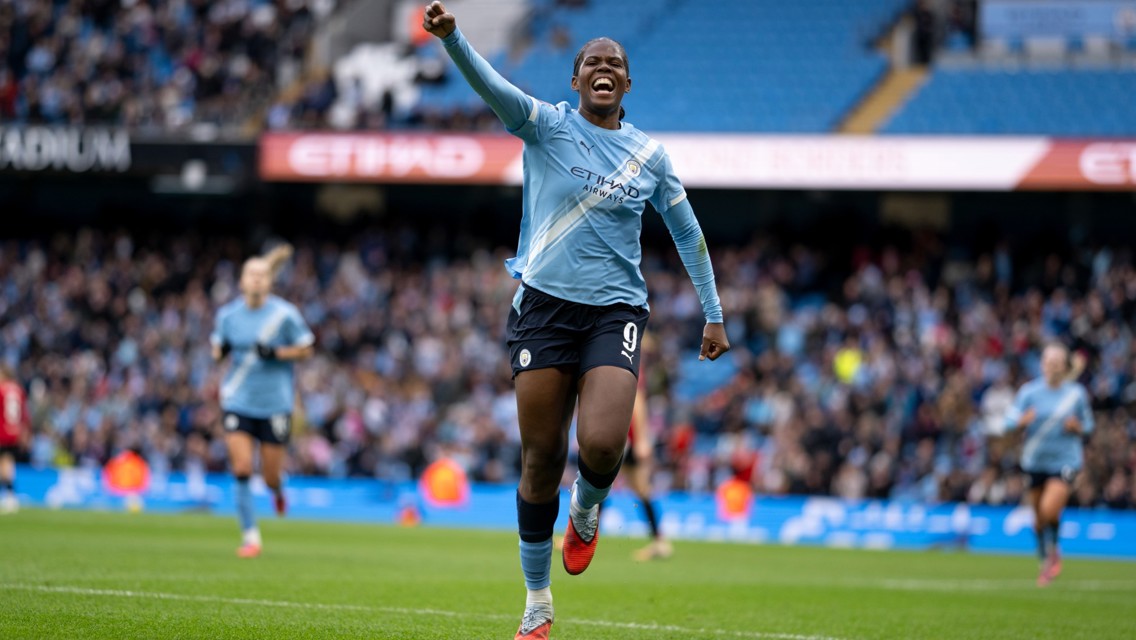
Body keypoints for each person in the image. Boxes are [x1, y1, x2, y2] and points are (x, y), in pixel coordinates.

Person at [424, 3, 730, 638]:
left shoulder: (649, 156)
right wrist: (453, 38)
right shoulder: (544, 125)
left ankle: (587, 510)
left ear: (626, 83)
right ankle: (537, 600)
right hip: (542, 309)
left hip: (615, 310)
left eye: (615, 63)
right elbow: (489, 84)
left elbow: (689, 234)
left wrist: (713, 313)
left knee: (602, 444)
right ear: (575, 78)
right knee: (540, 458)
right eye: (593, 61)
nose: (605, 69)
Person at [211, 244, 314, 558]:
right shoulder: (228, 315)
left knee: (269, 476)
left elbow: (307, 348)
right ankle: (250, 536)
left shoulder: (285, 315)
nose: (256, 280)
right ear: (241, 281)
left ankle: (278, 490)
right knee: (242, 466)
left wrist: (278, 353)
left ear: (269, 281)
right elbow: (216, 351)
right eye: (251, 274)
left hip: (275, 404)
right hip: (238, 400)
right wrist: (223, 351)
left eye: (262, 275)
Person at [1004, 343, 1093, 587]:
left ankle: (1053, 551)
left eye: (1057, 362)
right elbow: (1007, 422)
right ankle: (1046, 559)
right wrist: (1022, 421)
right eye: (1048, 361)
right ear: (1042, 364)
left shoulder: (1076, 394)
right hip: (1034, 461)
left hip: (1065, 461)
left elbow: (1089, 426)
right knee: (1038, 520)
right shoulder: (1029, 392)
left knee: (1048, 508)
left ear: (1064, 366)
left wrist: (1078, 428)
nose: (1052, 366)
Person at [625, 337, 671, 562]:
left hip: (627, 437)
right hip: (630, 436)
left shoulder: (631, 365)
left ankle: (578, 539)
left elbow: (637, 401)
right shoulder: (635, 365)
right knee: (641, 489)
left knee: (597, 484)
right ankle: (659, 541)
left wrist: (641, 439)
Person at [0, 364, 28, 514]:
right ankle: (9, 494)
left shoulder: (1, 390)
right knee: (7, 462)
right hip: (15, 432)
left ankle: (10, 495)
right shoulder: (19, 390)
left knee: (5, 463)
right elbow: (24, 414)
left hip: (2, 432)